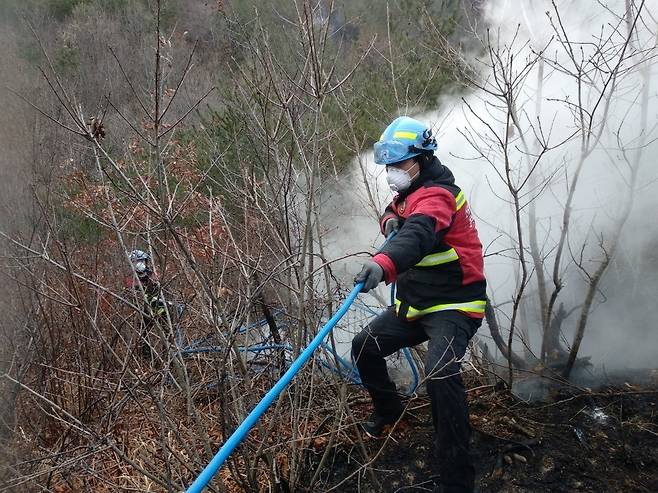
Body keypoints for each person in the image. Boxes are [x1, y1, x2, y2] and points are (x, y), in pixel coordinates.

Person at [351, 116, 487, 493]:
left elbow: (419, 233)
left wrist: (383, 263)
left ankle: (457, 479)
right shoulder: (413, 188)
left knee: (441, 374)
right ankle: (390, 411)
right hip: (416, 304)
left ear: (422, 159)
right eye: (388, 166)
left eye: (398, 165)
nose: (392, 173)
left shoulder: (439, 196)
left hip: (454, 305)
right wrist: (390, 221)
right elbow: (397, 212)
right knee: (365, 346)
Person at [125, 249, 166, 361]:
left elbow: (161, 291)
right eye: (137, 261)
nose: (140, 263)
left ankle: (168, 357)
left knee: (167, 332)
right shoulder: (130, 278)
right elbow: (130, 296)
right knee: (143, 336)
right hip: (143, 313)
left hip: (159, 310)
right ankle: (148, 359)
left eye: (142, 261)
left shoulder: (152, 275)